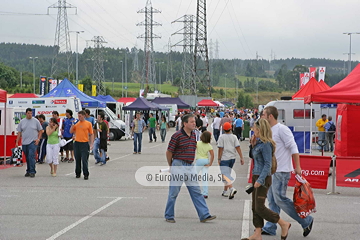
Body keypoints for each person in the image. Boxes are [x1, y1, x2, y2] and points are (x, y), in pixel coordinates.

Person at [261, 106, 314, 237]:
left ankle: (306, 220)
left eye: (263, 114)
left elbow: (293, 147)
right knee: (272, 200)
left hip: (282, 170)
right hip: (272, 170)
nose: (262, 116)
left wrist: (298, 166)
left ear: (270, 116)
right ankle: (271, 227)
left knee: (280, 199)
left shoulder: (282, 130)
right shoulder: (269, 130)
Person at [242, 118, 291, 240]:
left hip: (263, 177)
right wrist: (252, 145)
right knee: (255, 206)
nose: (253, 130)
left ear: (260, 129)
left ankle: (283, 223)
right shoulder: (258, 142)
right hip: (256, 175)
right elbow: (252, 157)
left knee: (260, 207)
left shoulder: (266, 144)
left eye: (254, 128)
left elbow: (268, 164)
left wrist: (260, 180)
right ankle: (257, 234)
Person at [164, 114, 216, 223]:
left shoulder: (194, 135)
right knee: (174, 192)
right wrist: (171, 165)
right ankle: (169, 215)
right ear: (185, 123)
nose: (194, 123)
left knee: (196, 191)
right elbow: (169, 152)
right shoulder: (177, 136)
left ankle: (204, 215)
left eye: (194, 122)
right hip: (178, 164)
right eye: (192, 122)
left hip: (190, 165)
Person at [217, 122, 244, 199]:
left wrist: (219, 158)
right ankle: (225, 191)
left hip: (224, 158)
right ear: (231, 128)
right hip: (232, 158)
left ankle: (231, 188)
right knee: (227, 174)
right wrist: (241, 157)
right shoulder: (234, 137)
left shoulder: (221, 137)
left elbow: (220, 149)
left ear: (223, 129)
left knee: (225, 175)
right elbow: (238, 147)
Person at [15, 108, 43, 178]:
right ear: (26, 113)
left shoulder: (36, 121)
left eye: (31, 113)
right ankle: (28, 170)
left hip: (33, 141)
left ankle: (32, 171)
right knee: (27, 157)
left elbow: (41, 130)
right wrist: (17, 142)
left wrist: (38, 139)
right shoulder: (22, 122)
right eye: (28, 113)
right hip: (24, 142)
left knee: (31, 156)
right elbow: (19, 132)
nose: (30, 115)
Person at [70, 110, 94, 180]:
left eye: (80, 116)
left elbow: (91, 133)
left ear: (84, 116)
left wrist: (91, 143)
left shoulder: (88, 124)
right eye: (78, 116)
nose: (79, 117)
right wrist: (72, 125)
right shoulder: (77, 124)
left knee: (84, 159)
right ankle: (77, 173)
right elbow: (71, 131)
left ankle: (86, 174)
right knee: (77, 159)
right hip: (77, 143)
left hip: (84, 143)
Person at [195, 131, 214, 199]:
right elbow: (212, 155)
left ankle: (195, 190)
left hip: (199, 160)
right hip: (206, 161)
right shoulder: (209, 146)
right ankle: (205, 193)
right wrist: (210, 163)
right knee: (204, 177)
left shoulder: (198, 143)